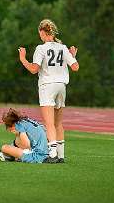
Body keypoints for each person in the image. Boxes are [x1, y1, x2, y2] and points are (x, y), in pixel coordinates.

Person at [18, 19, 79, 163]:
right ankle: (61, 155)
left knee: (49, 123)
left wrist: (23, 59)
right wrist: (73, 56)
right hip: (61, 87)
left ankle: (52, 155)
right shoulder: (63, 47)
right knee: (58, 123)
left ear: (43, 32)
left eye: (40, 33)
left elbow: (34, 69)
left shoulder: (41, 48)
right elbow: (75, 67)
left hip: (48, 86)